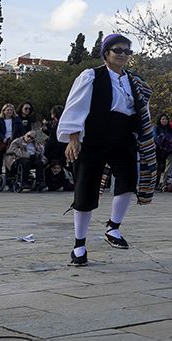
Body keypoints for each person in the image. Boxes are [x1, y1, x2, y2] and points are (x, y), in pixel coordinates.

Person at [58, 34, 155, 266]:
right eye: (117, 50)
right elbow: (76, 107)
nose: (122, 55)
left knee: (129, 179)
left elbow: (141, 110)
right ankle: (79, 245)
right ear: (106, 53)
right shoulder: (91, 76)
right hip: (95, 136)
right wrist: (73, 138)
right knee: (85, 189)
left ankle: (113, 227)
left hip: (123, 135)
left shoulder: (135, 81)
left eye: (126, 51)